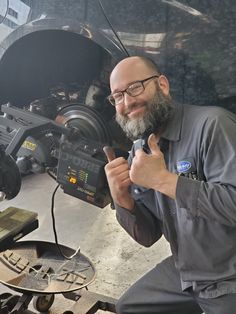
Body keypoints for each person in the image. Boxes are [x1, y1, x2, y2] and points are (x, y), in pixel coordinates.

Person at [103, 56, 236, 314]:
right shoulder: (139, 151)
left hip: (229, 276)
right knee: (128, 307)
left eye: (135, 87)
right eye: (117, 96)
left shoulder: (213, 126)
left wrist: (164, 180)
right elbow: (149, 236)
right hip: (186, 271)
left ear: (162, 85)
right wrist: (122, 200)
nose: (127, 102)